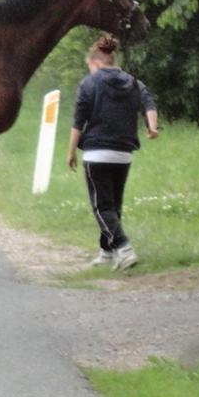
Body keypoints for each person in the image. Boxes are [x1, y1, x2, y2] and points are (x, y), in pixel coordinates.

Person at [66, 35, 158, 271]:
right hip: (123, 154)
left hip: (96, 154)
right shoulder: (132, 82)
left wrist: (71, 152)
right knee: (113, 206)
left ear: (96, 63)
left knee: (102, 207)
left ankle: (124, 248)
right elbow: (148, 104)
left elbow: (78, 122)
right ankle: (107, 252)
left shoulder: (89, 83)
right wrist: (152, 128)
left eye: (90, 67)